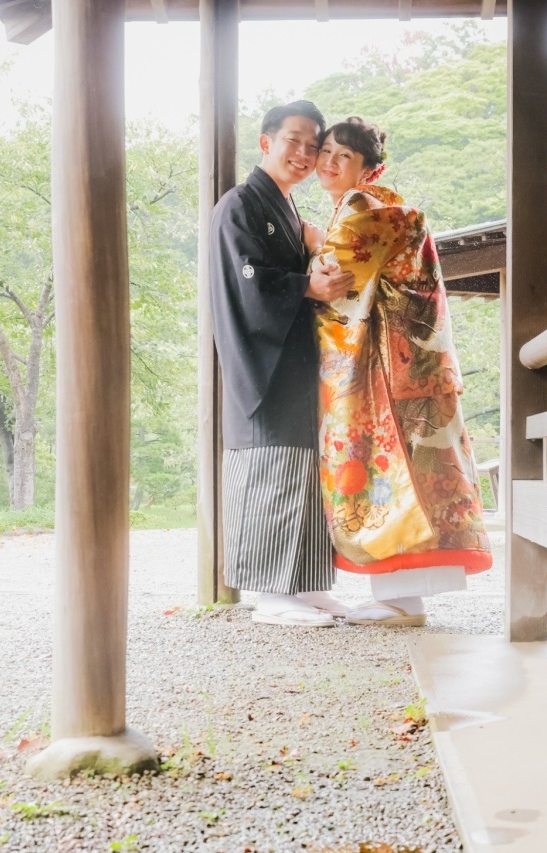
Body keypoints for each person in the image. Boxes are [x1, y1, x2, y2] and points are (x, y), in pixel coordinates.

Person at [312, 117, 492, 625]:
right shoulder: (370, 209)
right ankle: (398, 597)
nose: (329, 162)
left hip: (387, 372)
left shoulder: (364, 210)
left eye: (344, 156)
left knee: (392, 471)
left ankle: (402, 601)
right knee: (400, 472)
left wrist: (305, 257)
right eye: (326, 150)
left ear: (371, 169)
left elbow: (334, 288)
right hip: (407, 365)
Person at [209, 101, 354, 627]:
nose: (304, 152)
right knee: (276, 472)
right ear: (266, 142)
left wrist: (316, 258)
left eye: (313, 145)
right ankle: (272, 593)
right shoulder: (240, 205)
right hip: (262, 364)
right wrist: (305, 284)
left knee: (306, 472)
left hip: (296, 360)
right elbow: (249, 284)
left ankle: (307, 585)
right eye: (294, 140)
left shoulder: (290, 213)